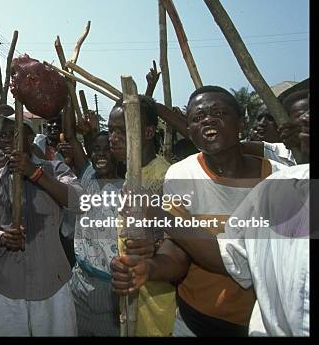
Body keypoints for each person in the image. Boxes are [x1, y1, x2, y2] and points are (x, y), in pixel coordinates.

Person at [113, 104, 310, 336]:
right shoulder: (182, 174)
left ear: (241, 124)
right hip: (192, 322)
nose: (208, 120)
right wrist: (151, 266)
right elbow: (226, 255)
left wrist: (156, 216)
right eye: (198, 117)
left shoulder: (279, 179)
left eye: (220, 112)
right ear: (190, 129)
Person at [0, 112, 83, 336]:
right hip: (8, 288)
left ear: (30, 137)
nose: (5, 139)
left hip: (52, 284)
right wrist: (1, 237)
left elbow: (78, 200)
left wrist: (35, 173)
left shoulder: (55, 169)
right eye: (1, 135)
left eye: (13, 133)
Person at [107, 95, 177, 337]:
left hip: (160, 300)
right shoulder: (132, 174)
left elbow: (179, 239)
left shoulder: (165, 177)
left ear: (147, 133)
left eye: (122, 130)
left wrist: (156, 242)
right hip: (136, 292)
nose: (113, 138)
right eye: (110, 130)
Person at [59, 99, 123, 336]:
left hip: (110, 288)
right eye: (96, 149)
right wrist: (67, 92)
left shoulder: (128, 188)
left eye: (107, 149)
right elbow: (70, 135)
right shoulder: (87, 175)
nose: (101, 154)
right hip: (80, 279)